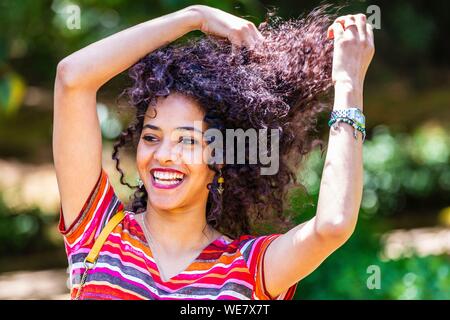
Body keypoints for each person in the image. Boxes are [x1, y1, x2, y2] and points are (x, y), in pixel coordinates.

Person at [53, 4, 374, 300]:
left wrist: (348, 84)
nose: (164, 154)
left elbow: (332, 225)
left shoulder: (246, 269)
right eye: (151, 137)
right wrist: (194, 17)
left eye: (187, 141)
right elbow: (72, 77)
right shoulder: (99, 233)